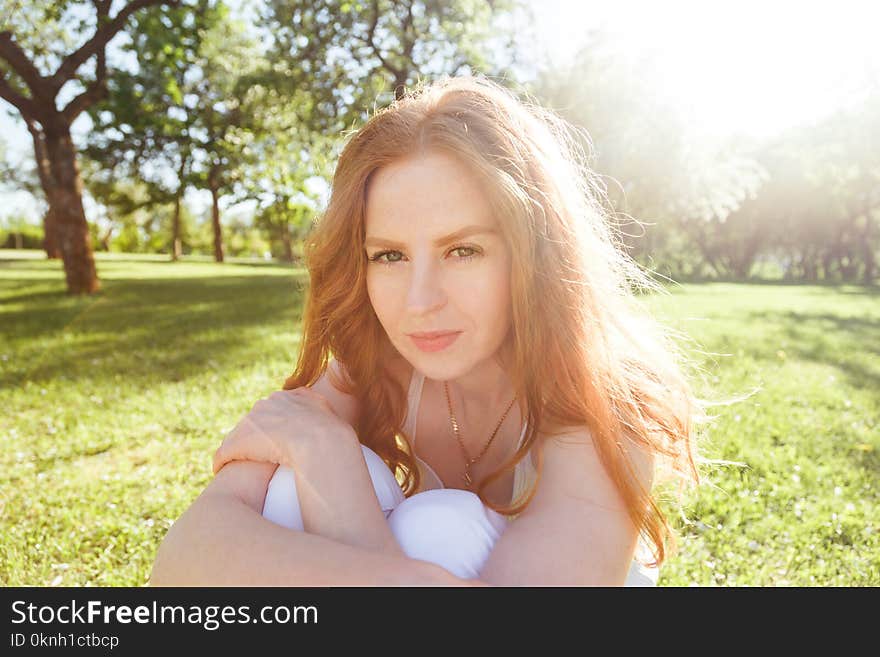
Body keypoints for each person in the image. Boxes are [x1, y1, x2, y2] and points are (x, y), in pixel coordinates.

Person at [150, 75, 703, 587]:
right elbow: (181, 559)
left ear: (534, 254)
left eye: (463, 250)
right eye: (389, 255)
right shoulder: (377, 364)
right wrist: (322, 455)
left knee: (437, 525)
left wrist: (329, 458)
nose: (420, 302)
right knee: (293, 487)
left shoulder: (606, 397)